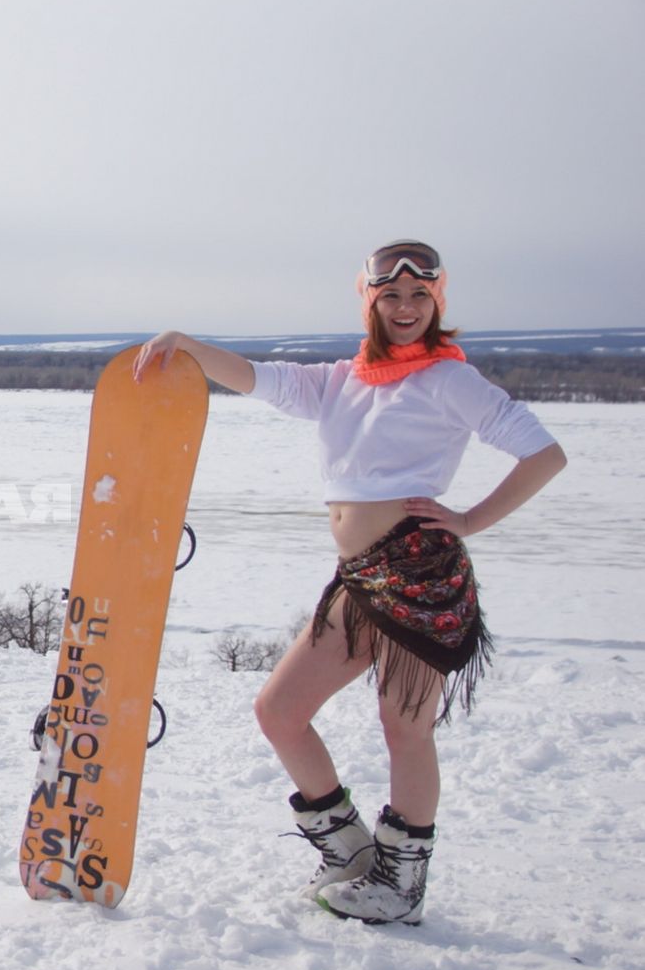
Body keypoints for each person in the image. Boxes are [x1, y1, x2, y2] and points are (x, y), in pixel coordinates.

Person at [134, 240, 567, 924]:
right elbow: (253, 377)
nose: (405, 308)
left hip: (420, 574)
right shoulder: (342, 379)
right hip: (359, 578)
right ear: (368, 301)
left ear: (437, 302)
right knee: (279, 711)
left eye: (420, 296)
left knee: (405, 729)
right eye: (390, 296)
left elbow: (545, 454)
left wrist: (470, 519)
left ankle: (399, 885)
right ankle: (351, 853)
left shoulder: (452, 380)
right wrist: (186, 345)